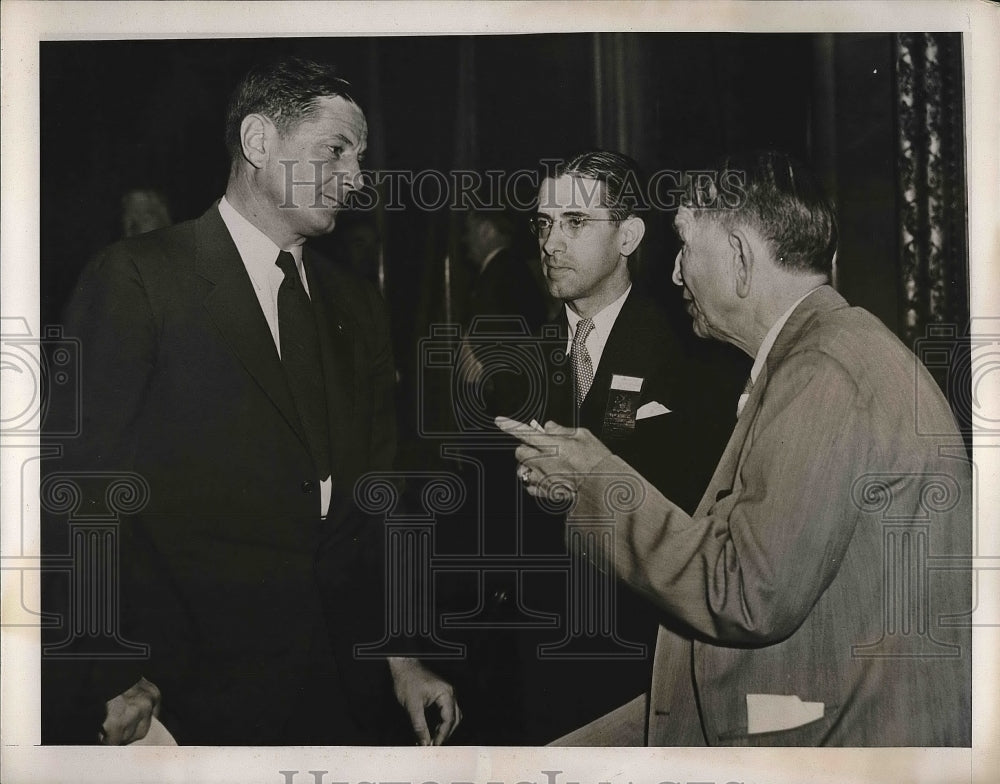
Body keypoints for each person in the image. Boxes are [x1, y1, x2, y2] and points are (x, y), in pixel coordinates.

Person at [42, 56, 459, 746]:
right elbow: (75, 488)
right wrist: (105, 669)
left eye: (360, 158)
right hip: (184, 695)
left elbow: (379, 498)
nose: (356, 178)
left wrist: (402, 655)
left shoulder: (357, 304)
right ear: (260, 142)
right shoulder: (138, 279)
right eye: (336, 150)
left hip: (341, 689)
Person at [499, 150, 971, 746]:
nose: (675, 273)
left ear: (741, 259)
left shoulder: (822, 371)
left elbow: (745, 592)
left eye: (685, 246)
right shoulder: (830, 350)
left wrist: (596, 480)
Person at [480, 151, 739, 744]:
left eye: (575, 222)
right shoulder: (516, 364)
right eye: (544, 224)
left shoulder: (694, 354)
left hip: (642, 658)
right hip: (535, 664)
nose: (551, 243)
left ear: (628, 236)